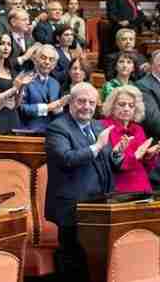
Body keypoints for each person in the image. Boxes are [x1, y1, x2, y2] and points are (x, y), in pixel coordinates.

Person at [45, 83, 128, 282]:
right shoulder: (58, 127)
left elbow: (107, 163)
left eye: (91, 102)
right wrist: (98, 146)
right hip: (73, 207)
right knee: (74, 261)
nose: (87, 107)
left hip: (100, 205)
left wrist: (116, 154)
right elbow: (67, 158)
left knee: (96, 262)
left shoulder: (98, 126)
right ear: (71, 102)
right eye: (82, 101)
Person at [101, 86, 160, 192]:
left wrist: (149, 155)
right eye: (122, 104)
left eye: (131, 106)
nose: (126, 108)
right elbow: (109, 164)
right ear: (112, 106)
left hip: (143, 188)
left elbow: (145, 167)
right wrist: (135, 156)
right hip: (120, 191)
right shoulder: (104, 127)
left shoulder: (138, 129)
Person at [0, 31, 33, 134]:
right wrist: (13, 90)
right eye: (2, 44)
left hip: (14, 118)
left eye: (9, 44)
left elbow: (16, 104)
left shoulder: (12, 71)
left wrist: (22, 87)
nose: (6, 48)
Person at [20, 45, 67, 132]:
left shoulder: (55, 84)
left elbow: (57, 113)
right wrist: (47, 107)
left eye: (51, 59)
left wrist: (59, 110)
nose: (47, 62)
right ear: (35, 60)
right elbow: (21, 108)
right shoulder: (25, 79)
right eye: (43, 58)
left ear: (54, 65)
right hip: (29, 132)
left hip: (53, 132)